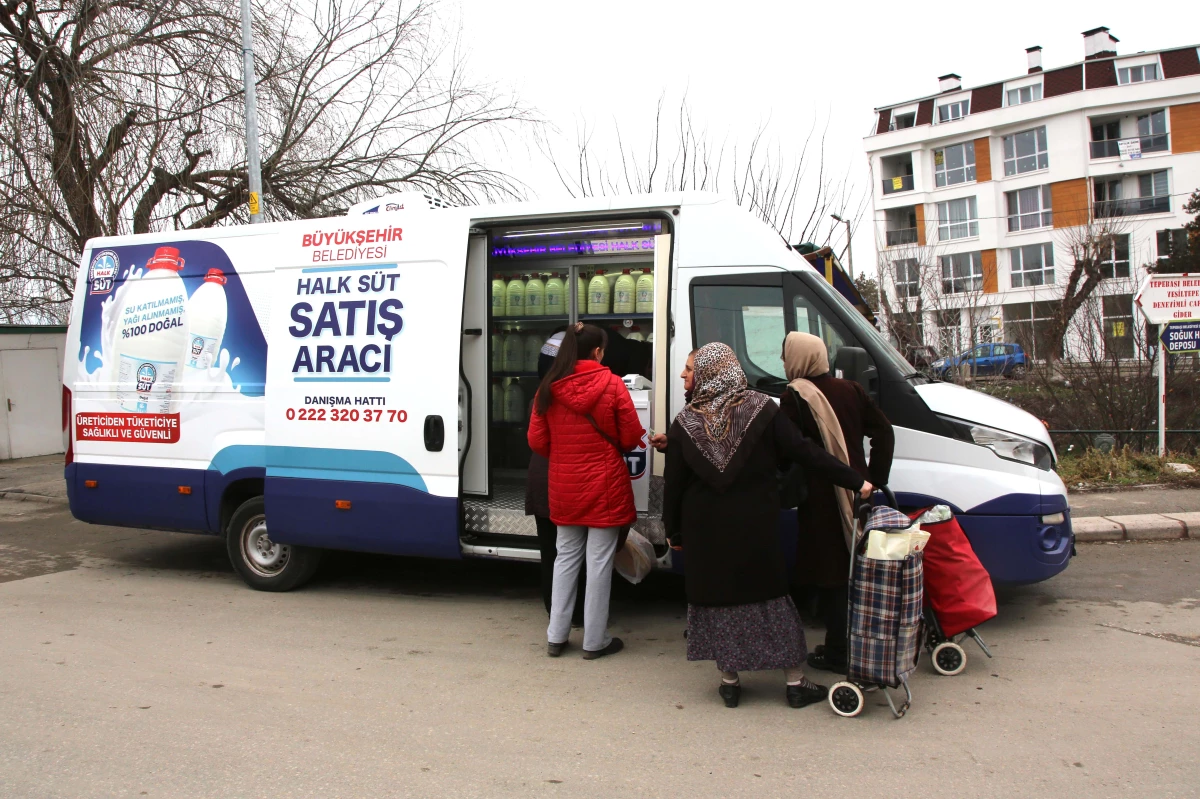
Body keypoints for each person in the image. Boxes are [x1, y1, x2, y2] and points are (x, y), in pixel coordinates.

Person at [662, 342, 872, 708]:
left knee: (718, 601)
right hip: (754, 526)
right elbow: (806, 453)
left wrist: (674, 530)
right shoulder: (762, 411)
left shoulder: (686, 422)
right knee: (769, 601)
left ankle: (730, 681)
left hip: (704, 529)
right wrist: (856, 480)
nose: (683, 374)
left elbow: (675, 485)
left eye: (689, 368)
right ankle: (794, 682)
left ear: (711, 373)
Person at [779, 332, 895, 674]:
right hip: (859, 492)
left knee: (831, 575)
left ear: (799, 358)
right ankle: (861, 642)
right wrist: (875, 478)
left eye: (785, 355)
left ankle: (839, 652)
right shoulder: (852, 389)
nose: (783, 362)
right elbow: (884, 431)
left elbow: (791, 450)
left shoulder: (795, 397)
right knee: (858, 567)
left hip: (823, 500)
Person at [528, 323, 645, 660]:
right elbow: (629, 436)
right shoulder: (611, 384)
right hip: (605, 484)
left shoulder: (547, 388)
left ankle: (556, 636)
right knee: (598, 563)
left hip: (565, 484)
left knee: (564, 558)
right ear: (597, 352)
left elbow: (537, 442)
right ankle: (595, 641)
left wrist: (566, 454)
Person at [525, 329, 584, 625]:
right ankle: (578, 614)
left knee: (551, 552)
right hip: (571, 480)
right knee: (577, 553)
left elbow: (536, 440)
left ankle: (555, 615)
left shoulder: (543, 392)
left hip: (543, 477)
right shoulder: (590, 389)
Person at [648, 349, 695, 453]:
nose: (682, 374)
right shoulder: (693, 403)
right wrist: (668, 442)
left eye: (688, 369)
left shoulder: (710, 414)